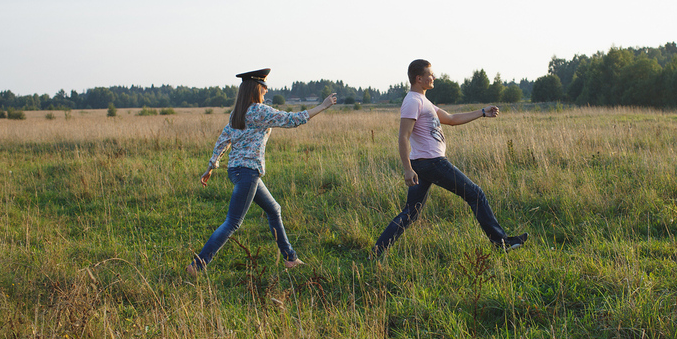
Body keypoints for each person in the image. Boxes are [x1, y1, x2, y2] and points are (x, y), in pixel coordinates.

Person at [188, 68, 336, 275]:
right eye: (264, 88)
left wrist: (211, 166)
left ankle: (290, 258)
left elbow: (223, 140)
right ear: (256, 88)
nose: (266, 91)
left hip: (237, 171)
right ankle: (198, 265)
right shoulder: (259, 111)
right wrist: (323, 106)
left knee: (274, 210)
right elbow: (293, 119)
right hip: (248, 173)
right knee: (233, 222)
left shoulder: (237, 113)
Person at [373, 59, 528, 255]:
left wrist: (482, 112)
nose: (434, 77)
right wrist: (407, 168)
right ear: (419, 78)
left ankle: (378, 251)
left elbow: (452, 119)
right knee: (476, 194)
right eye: (430, 74)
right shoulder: (413, 101)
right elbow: (403, 136)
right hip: (432, 163)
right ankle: (502, 243)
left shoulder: (423, 100)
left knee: (411, 213)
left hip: (424, 163)